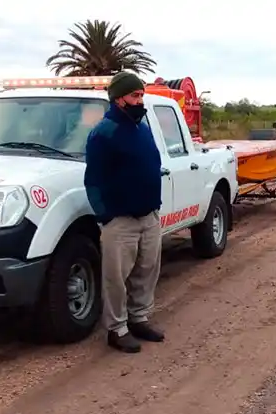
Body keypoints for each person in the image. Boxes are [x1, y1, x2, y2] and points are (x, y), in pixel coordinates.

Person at [84, 72, 165, 353]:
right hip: (121, 221)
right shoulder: (103, 134)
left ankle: (139, 318)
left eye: (141, 95)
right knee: (116, 278)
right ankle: (117, 329)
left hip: (148, 216)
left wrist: (155, 205)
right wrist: (107, 216)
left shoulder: (142, 128)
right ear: (119, 99)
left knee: (146, 270)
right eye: (135, 96)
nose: (140, 100)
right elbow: (93, 180)